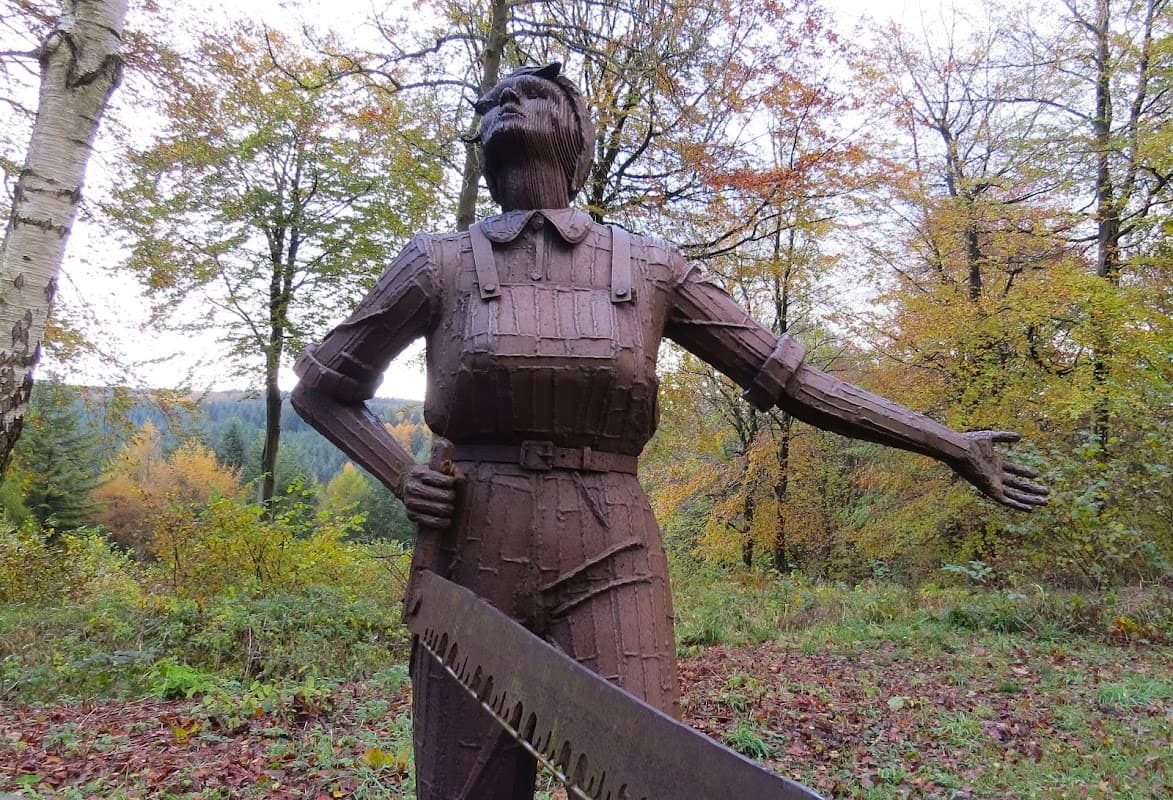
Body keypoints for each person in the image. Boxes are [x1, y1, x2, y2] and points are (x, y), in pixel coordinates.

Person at [291, 62, 1048, 800]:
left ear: (577, 139)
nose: (506, 103)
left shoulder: (649, 267)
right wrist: (398, 474)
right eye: (492, 101)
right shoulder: (438, 263)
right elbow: (323, 388)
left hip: (611, 545)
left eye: (534, 94)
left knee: (646, 770)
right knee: (466, 783)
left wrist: (947, 442)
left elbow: (790, 379)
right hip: (471, 546)